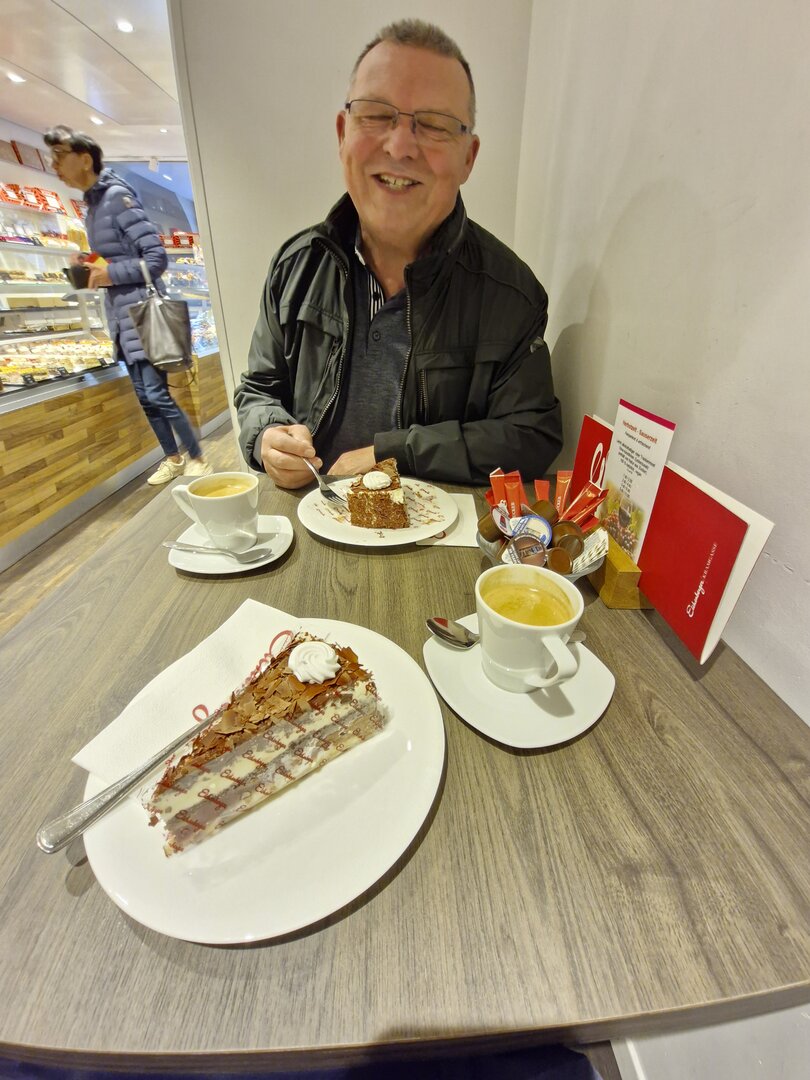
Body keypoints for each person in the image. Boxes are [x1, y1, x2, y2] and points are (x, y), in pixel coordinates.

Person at [235, 18, 562, 488]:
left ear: (468, 158)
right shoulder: (294, 269)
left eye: (435, 125)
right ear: (343, 133)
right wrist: (266, 435)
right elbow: (259, 389)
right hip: (308, 518)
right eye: (375, 115)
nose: (401, 145)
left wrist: (396, 452)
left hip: (440, 532)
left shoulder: (512, 295)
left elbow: (529, 436)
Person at [43, 126, 212, 486]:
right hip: (122, 317)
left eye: (59, 155)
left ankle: (198, 457)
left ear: (84, 159)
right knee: (146, 398)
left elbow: (156, 259)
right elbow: (117, 257)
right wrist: (89, 261)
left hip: (142, 315)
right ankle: (173, 458)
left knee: (157, 394)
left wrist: (108, 274)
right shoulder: (93, 206)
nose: (54, 165)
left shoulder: (117, 198)